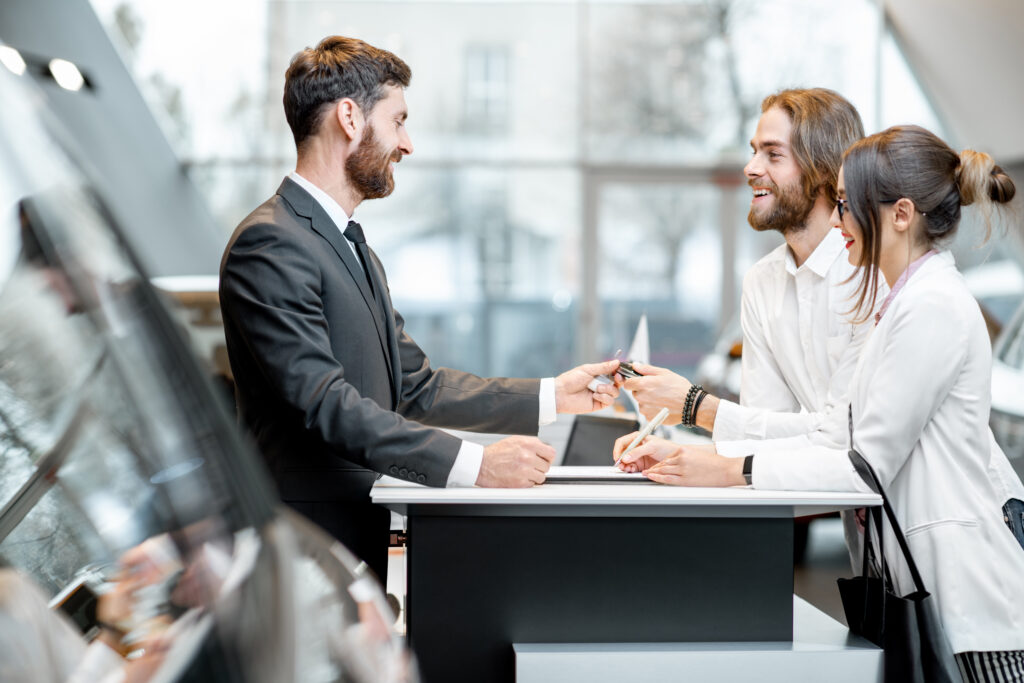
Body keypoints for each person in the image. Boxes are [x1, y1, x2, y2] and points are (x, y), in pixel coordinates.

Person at [618, 125, 1024, 680]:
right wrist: (704, 446)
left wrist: (726, 468)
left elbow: (864, 468)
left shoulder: (931, 306)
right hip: (928, 591)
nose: (837, 223)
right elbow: (834, 433)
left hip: (968, 608)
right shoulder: (899, 306)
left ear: (901, 215)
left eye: (846, 206)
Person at [219, 36, 619, 581]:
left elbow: (415, 388)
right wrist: (477, 465)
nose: (407, 144)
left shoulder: (353, 248)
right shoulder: (270, 243)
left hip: (351, 543)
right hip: (303, 554)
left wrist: (555, 394)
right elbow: (325, 404)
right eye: (398, 120)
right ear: (350, 119)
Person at [621, 88, 870, 449]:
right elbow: (763, 431)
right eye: (754, 152)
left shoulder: (872, 273)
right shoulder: (762, 282)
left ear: (822, 170)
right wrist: (678, 455)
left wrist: (695, 407)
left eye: (773, 154)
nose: (751, 168)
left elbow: (849, 435)